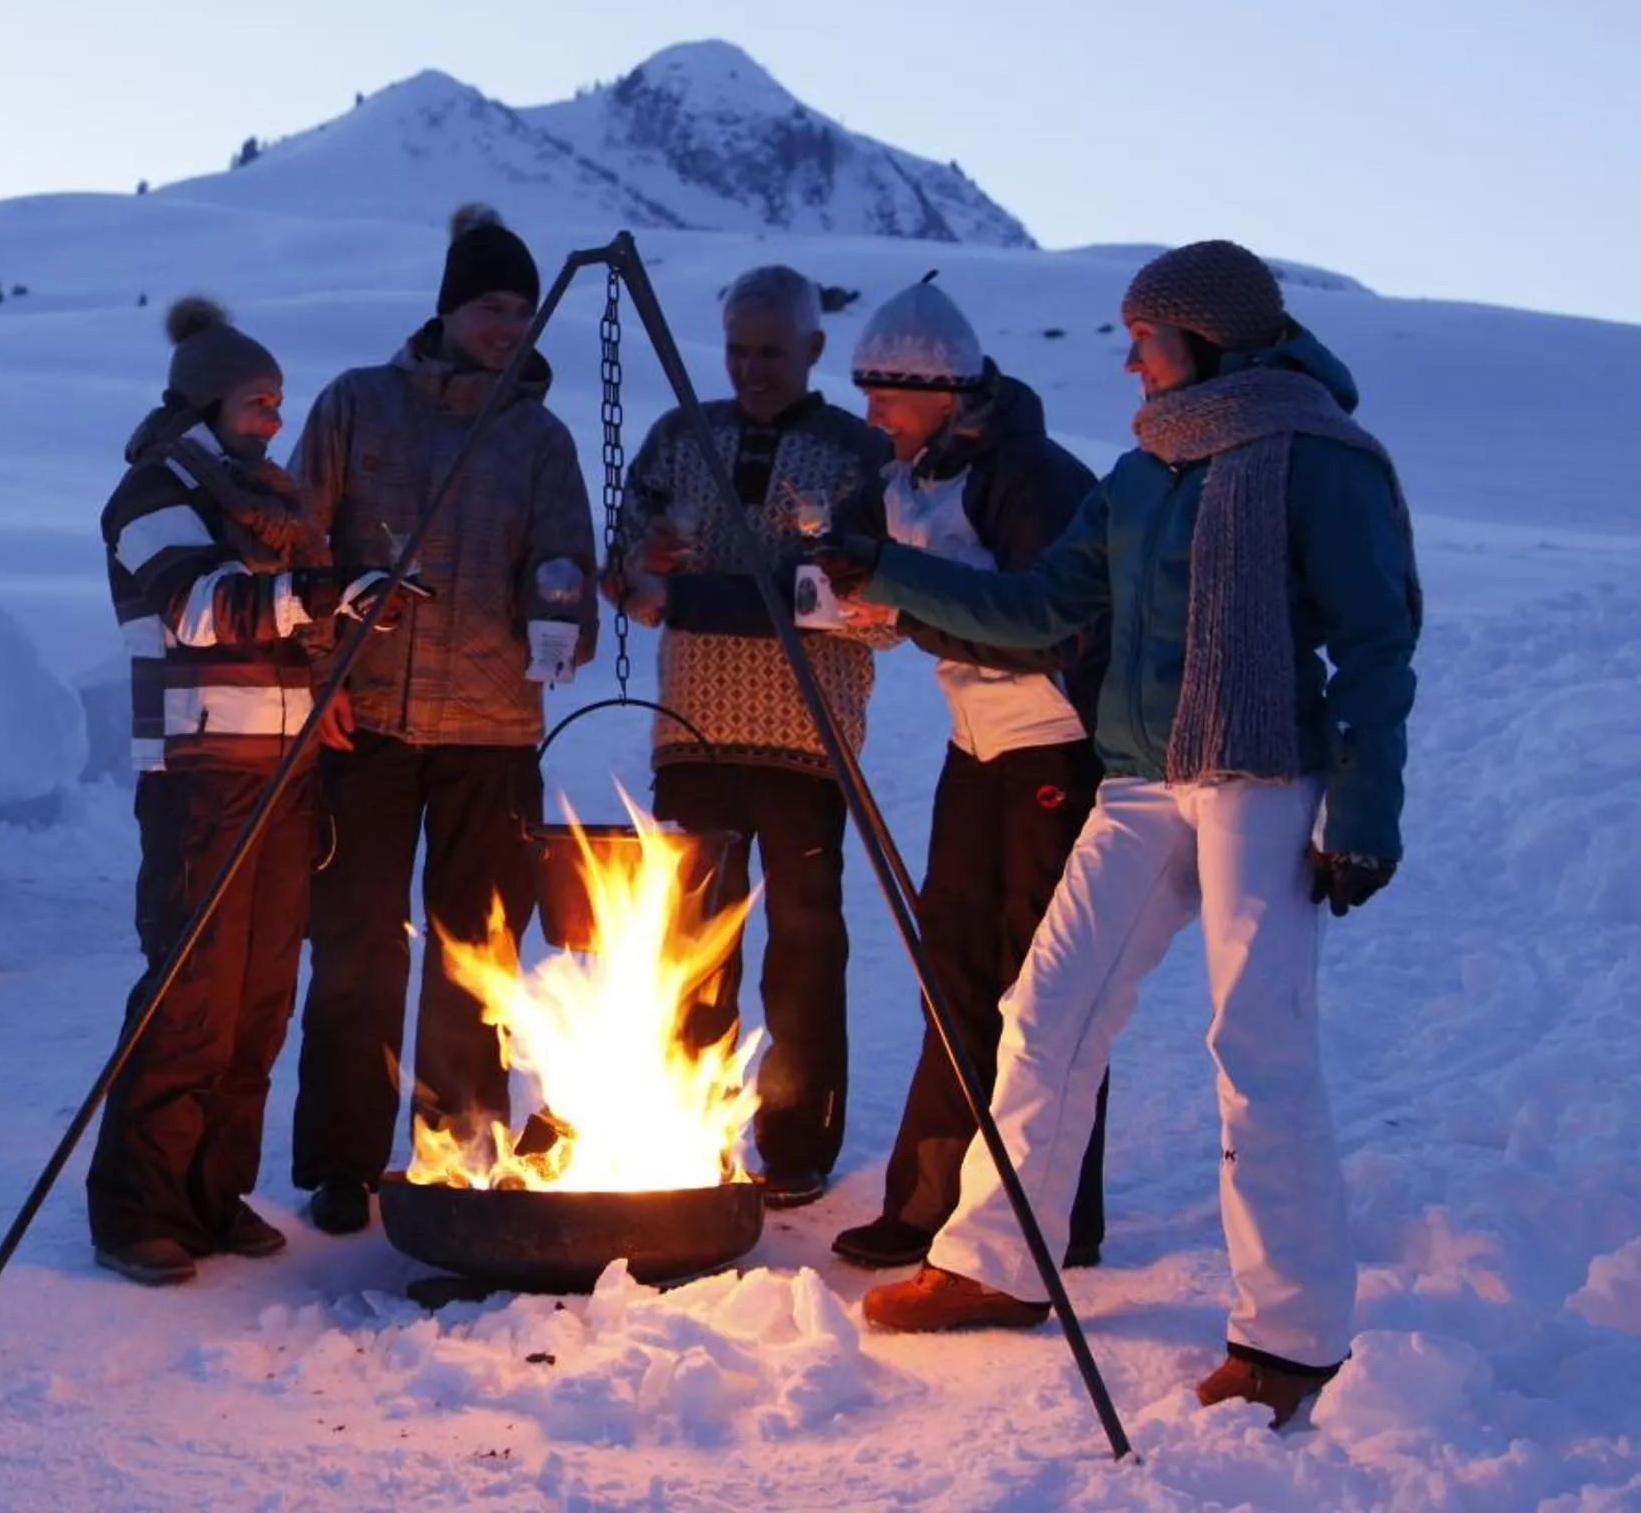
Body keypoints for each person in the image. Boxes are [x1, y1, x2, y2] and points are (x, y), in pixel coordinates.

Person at [826, 241, 1418, 1427]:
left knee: (1258, 1042)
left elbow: (1375, 639)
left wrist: (1362, 806)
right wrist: (886, 570)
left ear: (1204, 339)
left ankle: (1290, 1332)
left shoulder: (1318, 455)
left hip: (1262, 770)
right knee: (1048, 1007)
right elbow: (1042, 605)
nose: (1130, 361)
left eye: (1144, 338)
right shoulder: (1144, 472)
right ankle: (999, 1260)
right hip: (1142, 774)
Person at [289, 203, 598, 1237]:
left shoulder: (540, 437)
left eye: (521, 310)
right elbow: (298, 543)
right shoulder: (358, 404)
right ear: (449, 309)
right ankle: (343, 1162)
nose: (507, 326)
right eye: (490, 307)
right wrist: (318, 676)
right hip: (367, 719)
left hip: (493, 726)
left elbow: (565, 556)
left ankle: (459, 1149)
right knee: (357, 946)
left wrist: (563, 613)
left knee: (479, 950)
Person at [88, 297, 410, 1285]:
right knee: (191, 994)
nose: (275, 419)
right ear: (206, 402)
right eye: (258, 402)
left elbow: (282, 625)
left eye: (278, 401)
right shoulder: (153, 494)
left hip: (283, 773)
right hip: (199, 778)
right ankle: (138, 1210)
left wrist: (338, 623)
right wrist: (324, 591)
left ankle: (212, 1192)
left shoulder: (263, 504)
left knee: (261, 1000)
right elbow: (199, 608)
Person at [816, 274, 1111, 1274]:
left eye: (886, 397)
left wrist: (904, 611)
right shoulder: (907, 475)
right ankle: (932, 1199)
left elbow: (1047, 628)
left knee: (1043, 985)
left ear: (941, 390)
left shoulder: (1033, 477)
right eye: (866, 395)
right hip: (973, 749)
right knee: (951, 972)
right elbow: (846, 553)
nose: (873, 415)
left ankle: (1052, 1212)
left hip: (1055, 746)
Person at [605, 263, 894, 1208]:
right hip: (691, 733)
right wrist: (642, 564)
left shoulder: (858, 454)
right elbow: (623, 570)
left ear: (813, 348)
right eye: (737, 350)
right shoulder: (679, 437)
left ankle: (797, 1144)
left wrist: (693, 596)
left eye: (771, 351)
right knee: (690, 943)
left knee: (804, 946)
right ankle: (687, 1131)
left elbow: (874, 607)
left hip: (807, 735)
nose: (752, 368)